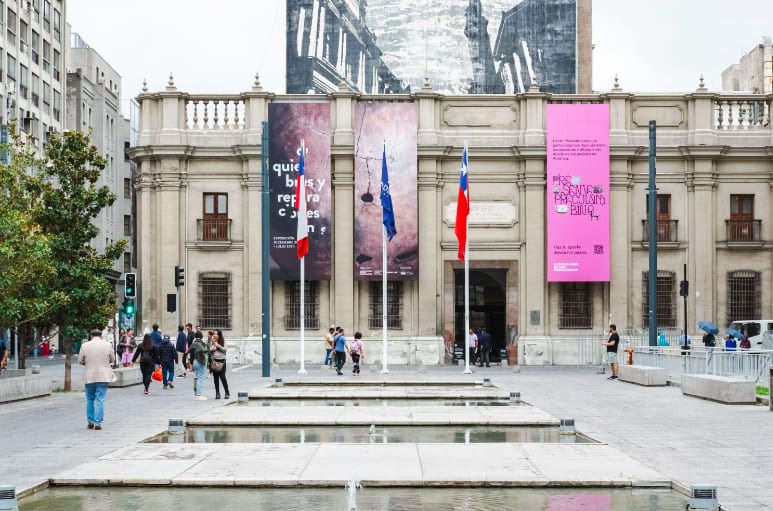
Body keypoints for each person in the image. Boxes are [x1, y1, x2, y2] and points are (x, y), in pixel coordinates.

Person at [78, 329, 115, 430]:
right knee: (100, 399)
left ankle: (90, 421)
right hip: (103, 376)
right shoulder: (107, 345)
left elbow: (80, 360)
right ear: (101, 336)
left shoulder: (84, 346)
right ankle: (98, 423)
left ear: (91, 336)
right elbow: (112, 359)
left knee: (90, 399)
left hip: (89, 375)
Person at [209, 330, 230, 399]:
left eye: (216, 334)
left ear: (219, 335)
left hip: (222, 362)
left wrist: (218, 345)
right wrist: (211, 349)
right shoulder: (212, 341)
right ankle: (217, 393)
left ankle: (227, 392)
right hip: (215, 362)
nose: (214, 335)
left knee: (223, 377)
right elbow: (211, 350)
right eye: (214, 334)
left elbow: (225, 350)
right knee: (216, 378)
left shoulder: (223, 341)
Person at [188, 331, 209, 400]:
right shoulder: (202, 343)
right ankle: (198, 395)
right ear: (202, 337)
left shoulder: (194, 343)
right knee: (200, 378)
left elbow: (189, 350)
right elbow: (205, 350)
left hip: (195, 361)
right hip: (201, 362)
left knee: (196, 378)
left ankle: (195, 394)